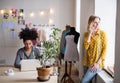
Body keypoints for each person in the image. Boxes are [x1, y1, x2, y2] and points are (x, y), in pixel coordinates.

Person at [81, 15, 107, 83]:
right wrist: (90, 33)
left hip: (96, 64)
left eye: (98, 22)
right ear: (91, 23)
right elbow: (86, 47)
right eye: (95, 22)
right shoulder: (86, 34)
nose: (97, 24)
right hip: (87, 62)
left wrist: (97, 63)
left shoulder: (102, 34)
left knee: (83, 81)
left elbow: (104, 50)